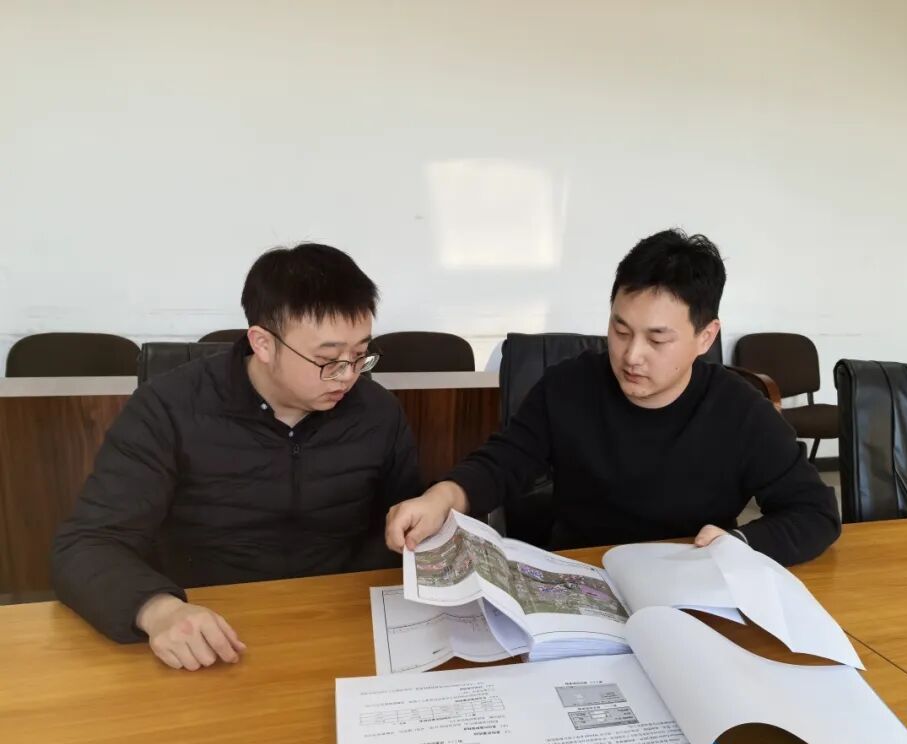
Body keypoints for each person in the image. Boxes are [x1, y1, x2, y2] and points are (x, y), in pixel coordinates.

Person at [53, 243, 420, 670]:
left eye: (359, 355)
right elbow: (86, 544)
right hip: (209, 633)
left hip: (339, 625)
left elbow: (405, 524)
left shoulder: (376, 411)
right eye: (327, 359)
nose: (348, 376)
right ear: (262, 343)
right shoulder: (169, 408)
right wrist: (159, 611)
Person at [386, 228, 840, 563]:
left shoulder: (739, 411)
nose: (631, 356)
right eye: (620, 331)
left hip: (689, 579)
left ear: (705, 337)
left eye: (657, 339)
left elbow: (815, 513)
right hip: (582, 575)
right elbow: (502, 463)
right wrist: (441, 497)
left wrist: (740, 545)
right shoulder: (568, 387)